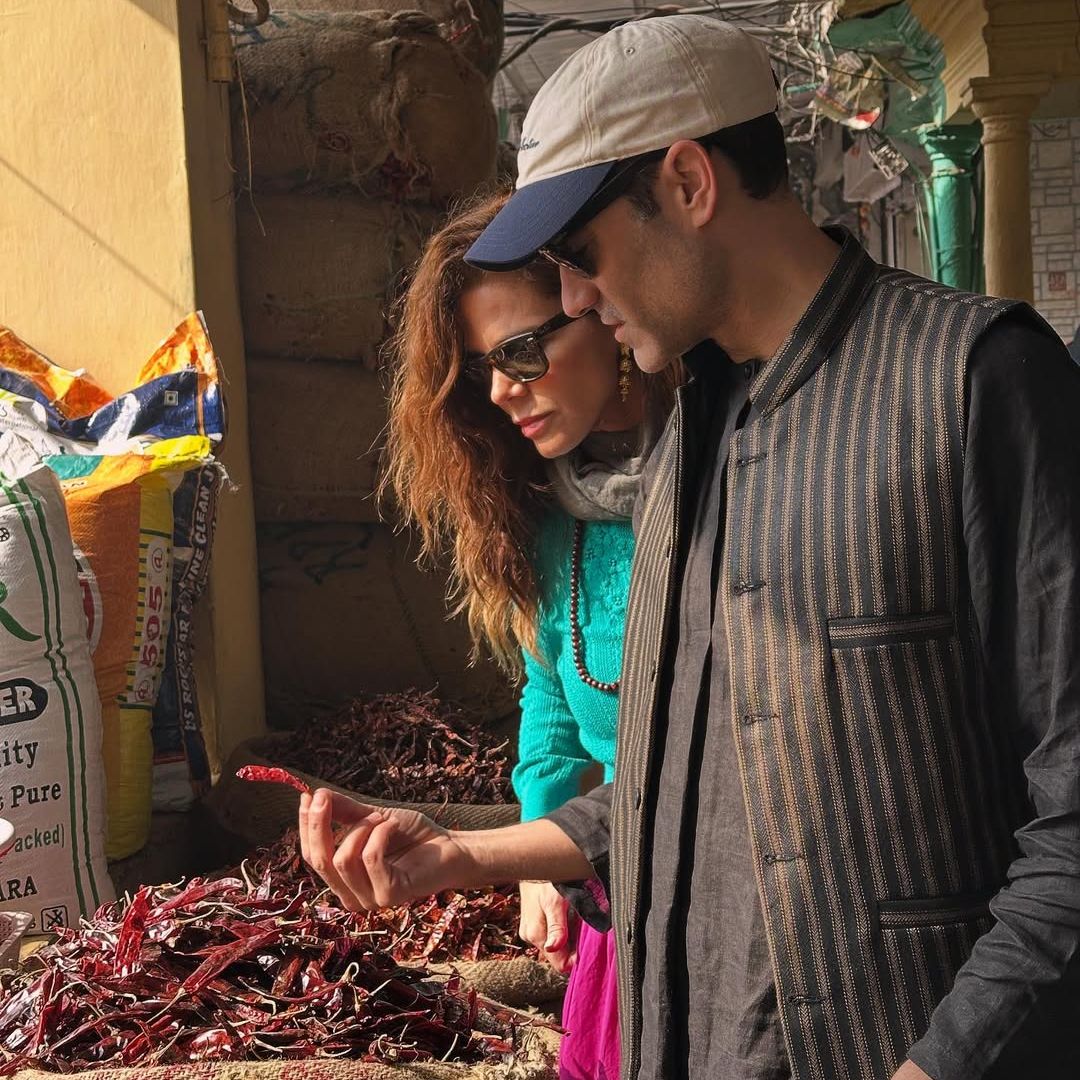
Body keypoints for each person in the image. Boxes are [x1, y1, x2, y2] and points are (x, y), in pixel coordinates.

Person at [301, 16, 1080, 1080]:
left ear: (686, 183)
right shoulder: (688, 452)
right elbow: (685, 792)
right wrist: (459, 855)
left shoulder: (973, 384)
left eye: (580, 257)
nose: (571, 296)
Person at [378, 191, 675, 1080]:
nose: (503, 389)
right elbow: (551, 696)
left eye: (519, 351)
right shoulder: (550, 514)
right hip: (613, 901)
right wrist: (542, 856)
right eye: (481, 368)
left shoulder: (716, 483)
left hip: (713, 891)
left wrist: (511, 851)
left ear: (601, 309)